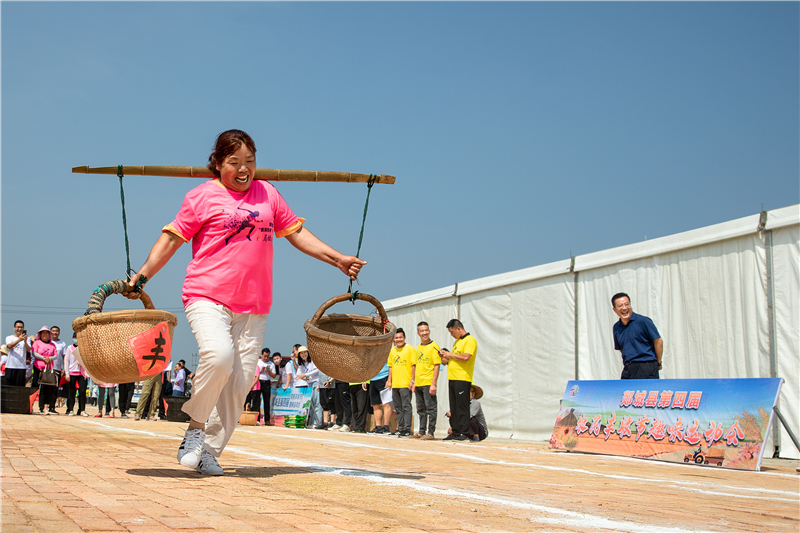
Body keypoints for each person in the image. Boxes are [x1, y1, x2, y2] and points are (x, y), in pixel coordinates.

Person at [124, 129, 365, 476]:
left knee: (240, 382)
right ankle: (194, 431)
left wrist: (337, 258)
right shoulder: (201, 196)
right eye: (234, 162)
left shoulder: (267, 192)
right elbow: (171, 240)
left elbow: (295, 232)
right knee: (218, 356)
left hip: (254, 305)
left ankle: (209, 450)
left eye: (249, 162)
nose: (243, 170)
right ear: (218, 163)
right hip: (207, 295)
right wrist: (142, 276)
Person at [440, 319, 478, 442]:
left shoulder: (470, 340)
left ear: (458, 329)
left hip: (463, 378)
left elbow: (466, 357)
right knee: (454, 407)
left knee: (462, 407)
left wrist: (449, 354)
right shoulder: (457, 342)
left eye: (452, 332)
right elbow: (452, 359)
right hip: (452, 377)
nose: (451, 335)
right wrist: (445, 356)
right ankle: (455, 431)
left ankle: (465, 433)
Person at [611, 293, 663, 380]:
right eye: (620, 306)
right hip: (628, 368)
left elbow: (658, 341)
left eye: (627, 304)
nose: (624, 308)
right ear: (614, 309)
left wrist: (658, 363)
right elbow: (621, 348)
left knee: (646, 392)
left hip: (647, 366)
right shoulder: (616, 327)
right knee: (626, 392)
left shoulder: (643, 321)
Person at [412, 322, 441, 440]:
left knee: (431, 408)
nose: (424, 333)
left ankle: (431, 432)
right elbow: (415, 365)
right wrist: (413, 381)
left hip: (428, 382)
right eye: (422, 331)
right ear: (418, 333)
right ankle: (421, 431)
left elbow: (437, 365)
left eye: (426, 330)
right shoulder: (419, 347)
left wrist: (433, 384)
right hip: (419, 383)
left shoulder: (434, 346)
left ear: (429, 331)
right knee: (420, 409)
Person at [386, 328, 415, 437]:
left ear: (404, 338)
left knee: (406, 406)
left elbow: (414, 365)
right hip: (395, 384)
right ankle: (401, 428)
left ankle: (407, 429)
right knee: (398, 407)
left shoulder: (410, 349)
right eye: (396, 338)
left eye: (400, 337)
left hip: (405, 383)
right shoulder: (393, 350)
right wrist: (389, 381)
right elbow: (391, 366)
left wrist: (412, 380)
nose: (399, 340)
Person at [31, 326, 59, 415]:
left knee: (46, 388)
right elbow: (34, 353)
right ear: (40, 334)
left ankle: (44, 407)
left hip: (48, 369)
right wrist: (44, 358)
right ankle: (31, 406)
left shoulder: (52, 345)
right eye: (43, 333)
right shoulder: (37, 343)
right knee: (35, 387)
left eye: (47, 333)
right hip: (38, 368)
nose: (45, 335)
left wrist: (49, 358)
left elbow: (56, 355)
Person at [295, 346, 322, 428]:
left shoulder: (312, 361)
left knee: (317, 403)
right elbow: (298, 375)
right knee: (311, 404)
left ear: (308, 352)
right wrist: (302, 376)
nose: (304, 355)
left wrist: (306, 375)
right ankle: (312, 423)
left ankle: (318, 422)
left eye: (305, 352)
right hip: (309, 383)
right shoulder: (301, 364)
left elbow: (317, 370)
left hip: (316, 382)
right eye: (301, 353)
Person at [63, 333, 89, 416]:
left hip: (82, 373)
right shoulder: (69, 348)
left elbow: (88, 360)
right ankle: (70, 409)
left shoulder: (85, 348)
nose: (76, 339)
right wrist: (67, 373)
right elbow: (66, 360)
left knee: (82, 391)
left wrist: (82, 362)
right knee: (71, 391)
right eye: (75, 337)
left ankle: (82, 410)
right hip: (72, 372)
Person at [366, 355, 391, 434]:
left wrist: (389, 380)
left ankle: (386, 427)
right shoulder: (372, 352)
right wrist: (366, 379)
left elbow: (391, 366)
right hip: (373, 379)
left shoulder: (386, 351)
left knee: (386, 403)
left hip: (384, 377)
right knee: (375, 404)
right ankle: (378, 427)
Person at [5, 320, 31, 387]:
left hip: (21, 367)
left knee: (19, 388)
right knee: (9, 387)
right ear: (14, 328)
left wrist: (25, 341)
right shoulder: (9, 338)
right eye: (18, 327)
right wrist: (19, 340)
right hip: (10, 366)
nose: (19, 329)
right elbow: (9, 346)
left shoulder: (27, 339)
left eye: (21, 327)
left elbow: (29, 350)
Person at [50, 326, 68, 409]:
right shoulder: (48, 342)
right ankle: (44, 406)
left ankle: (52, 407)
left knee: (55, 389)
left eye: (56, 331)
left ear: (59, 333)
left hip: (57, 368)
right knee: (46, 388)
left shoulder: (62, 344)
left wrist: (64, 368)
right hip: (47, 368)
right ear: (50, 332)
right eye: (53, 331)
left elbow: (64, 357)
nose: (55, 332)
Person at [256, 348, 272, 423]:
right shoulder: (257, 362)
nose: (266, 358)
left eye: (267, 356)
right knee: (256, 401)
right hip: (258, 382)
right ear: (261, 355)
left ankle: (267, 420)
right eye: (264, 356)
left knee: (267, 402)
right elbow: (254, 373)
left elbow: (274, 375)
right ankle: (257, 419)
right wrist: (261, 371)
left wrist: (268, 371)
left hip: (267, 382)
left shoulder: (271, 364)